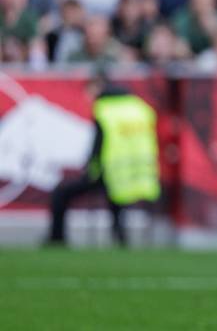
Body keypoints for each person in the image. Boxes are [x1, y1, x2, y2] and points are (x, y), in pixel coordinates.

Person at [46, 74, 160, 247]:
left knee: (61, 194)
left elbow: (98, 146)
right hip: (140, 174)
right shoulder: (139, 107)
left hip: (112, 171)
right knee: (117, 202)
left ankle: (56, 239)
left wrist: (90, 171)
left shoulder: (104, 109)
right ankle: (121, 241)